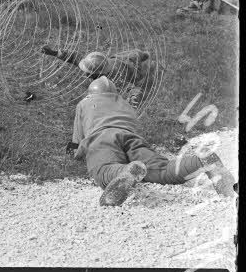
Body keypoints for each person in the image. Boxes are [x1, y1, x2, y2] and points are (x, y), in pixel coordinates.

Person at [70, 77, 235, 206]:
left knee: (104, 168)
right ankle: (200, 161)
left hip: (101, 138)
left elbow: (78, 138)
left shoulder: (84, 103)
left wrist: (76, 151)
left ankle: (124, 171)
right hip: (131, 138)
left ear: (91, 93)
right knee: (162, 169)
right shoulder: (125, 104)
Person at [40, 46, 157, 109]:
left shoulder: (115, 78)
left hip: (130, 69)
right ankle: (142, 54)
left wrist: (133, 99)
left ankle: (147, 58)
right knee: (133, 54)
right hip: (116, 59)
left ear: (98, 73)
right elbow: (74, 57)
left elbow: (132, 88)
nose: (85, 74)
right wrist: (54, 52)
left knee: (138, 58)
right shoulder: (95, 65)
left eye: (88, 73)